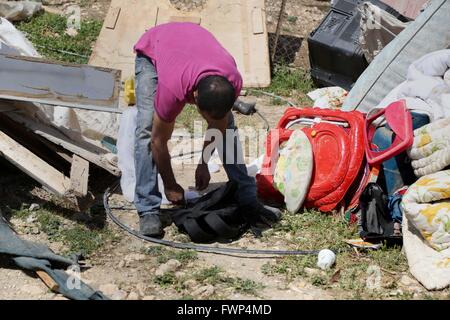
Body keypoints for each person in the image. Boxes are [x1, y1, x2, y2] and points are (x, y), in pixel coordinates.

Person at [133, 22, 280, 237]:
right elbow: (158, 141)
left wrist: (204, 163)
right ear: (193, 98)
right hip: (154, 50)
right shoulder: (172, 89)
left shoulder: (232, 80)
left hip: (190, 48)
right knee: (147, 130)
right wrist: (171, 183)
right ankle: (148, 209)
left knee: (228, 128)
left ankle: (246, 196)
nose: (214, 121)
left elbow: (219, 126)